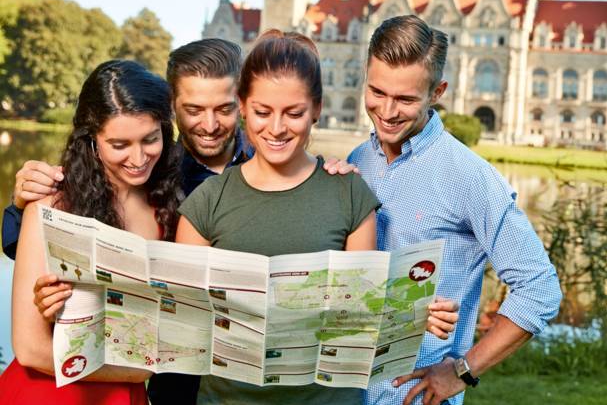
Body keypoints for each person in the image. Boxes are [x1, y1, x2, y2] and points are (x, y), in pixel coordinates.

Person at [6, 38, 362, 404]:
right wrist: (20, 206)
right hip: (153, 387)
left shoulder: (262, 167)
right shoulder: (161, 184)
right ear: (173, 109)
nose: (209, 124)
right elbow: (34, 278)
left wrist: (328, 173)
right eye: (193, 109)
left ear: (241, 102)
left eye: (223, 108)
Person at [350, 15, 562, 405]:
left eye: (406, 99)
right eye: (377, 91)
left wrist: (463, 370)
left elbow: (539, 288)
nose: (387, 110)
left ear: (438, 92)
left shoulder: (469, 177)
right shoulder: (359, 159)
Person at [172, 30, 380, 404]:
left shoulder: (351, 194)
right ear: (242, 106)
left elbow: (358, 321)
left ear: (316, 108)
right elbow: (186, 326)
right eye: (263, 112)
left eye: (294, 113)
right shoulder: (206, 202)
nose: (277, 128)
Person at [0, 60, 182, 404]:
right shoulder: (51, 205)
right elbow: (29, 349)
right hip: (49, 394)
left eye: (150, 139)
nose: (139, 157)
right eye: (119, 144)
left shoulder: (169, 209)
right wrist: (139, 371)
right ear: (92, 139)